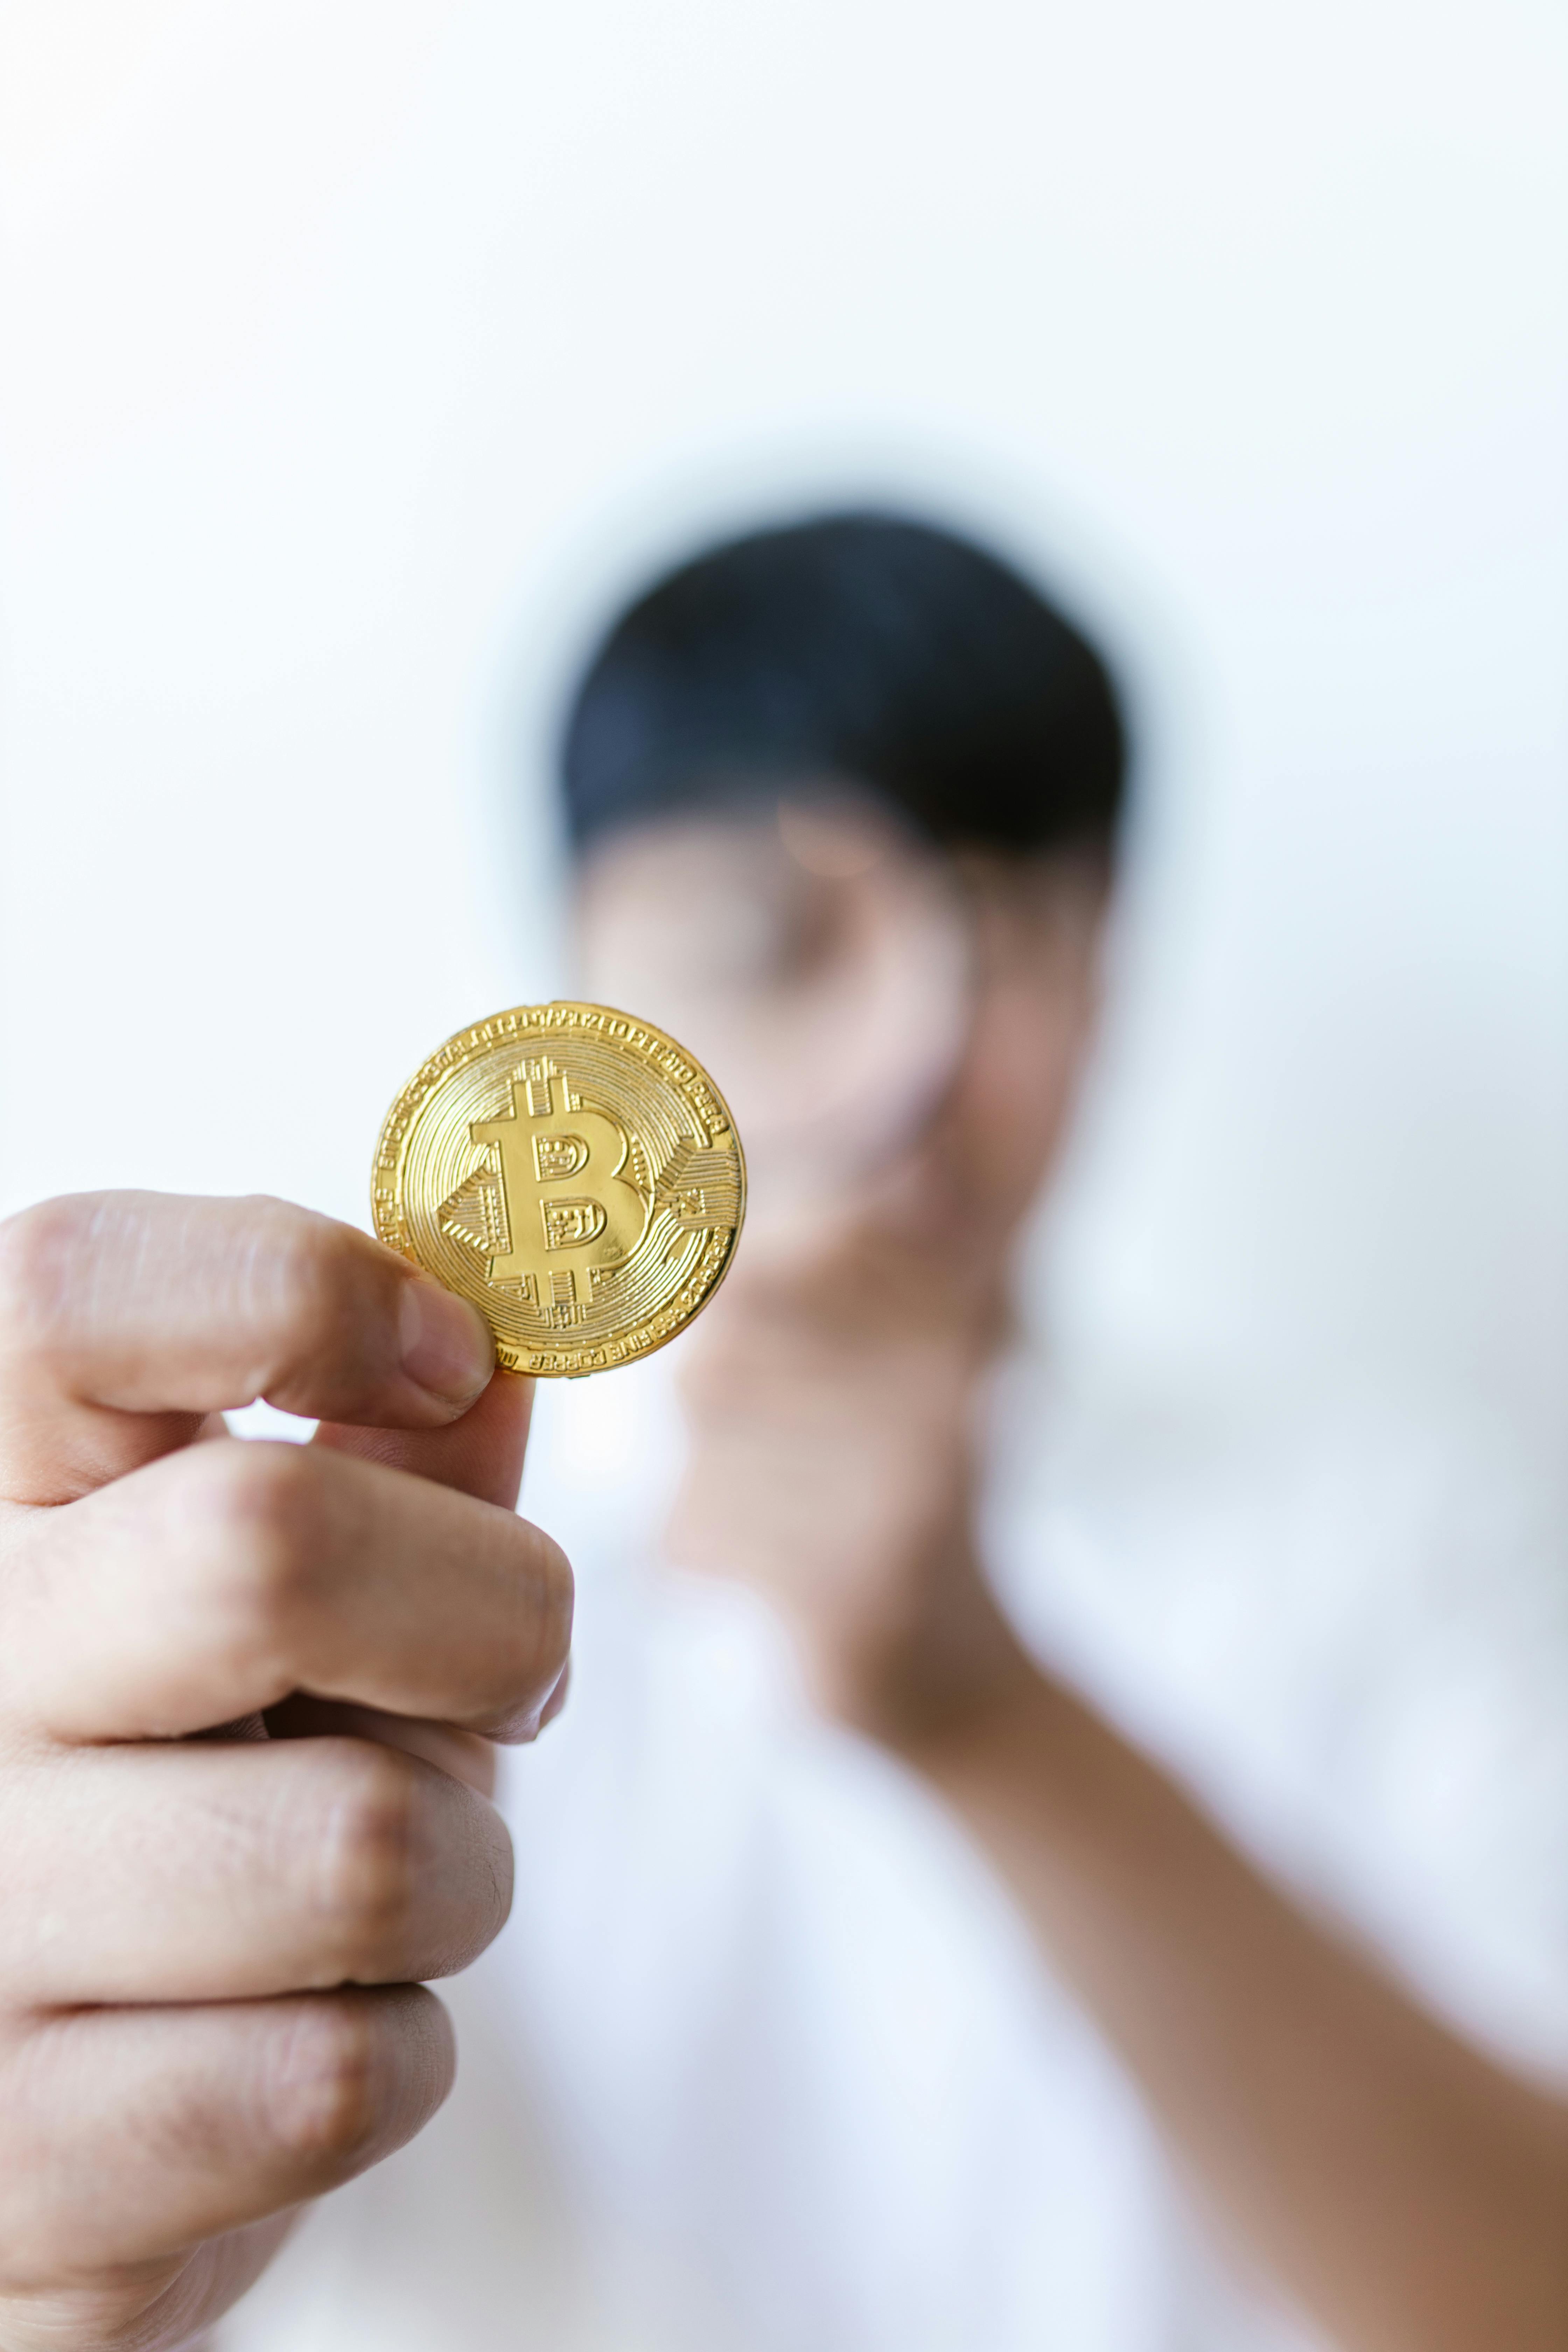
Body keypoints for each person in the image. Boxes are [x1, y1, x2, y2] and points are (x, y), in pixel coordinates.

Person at [3, 512, 1563, 2352]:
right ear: (578, 982)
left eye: (1014, 930)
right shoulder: (305, 1592)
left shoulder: (1392, 1533)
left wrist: (992, 1708)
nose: (909, 1058)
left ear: (1112, 976)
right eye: (766, 937)